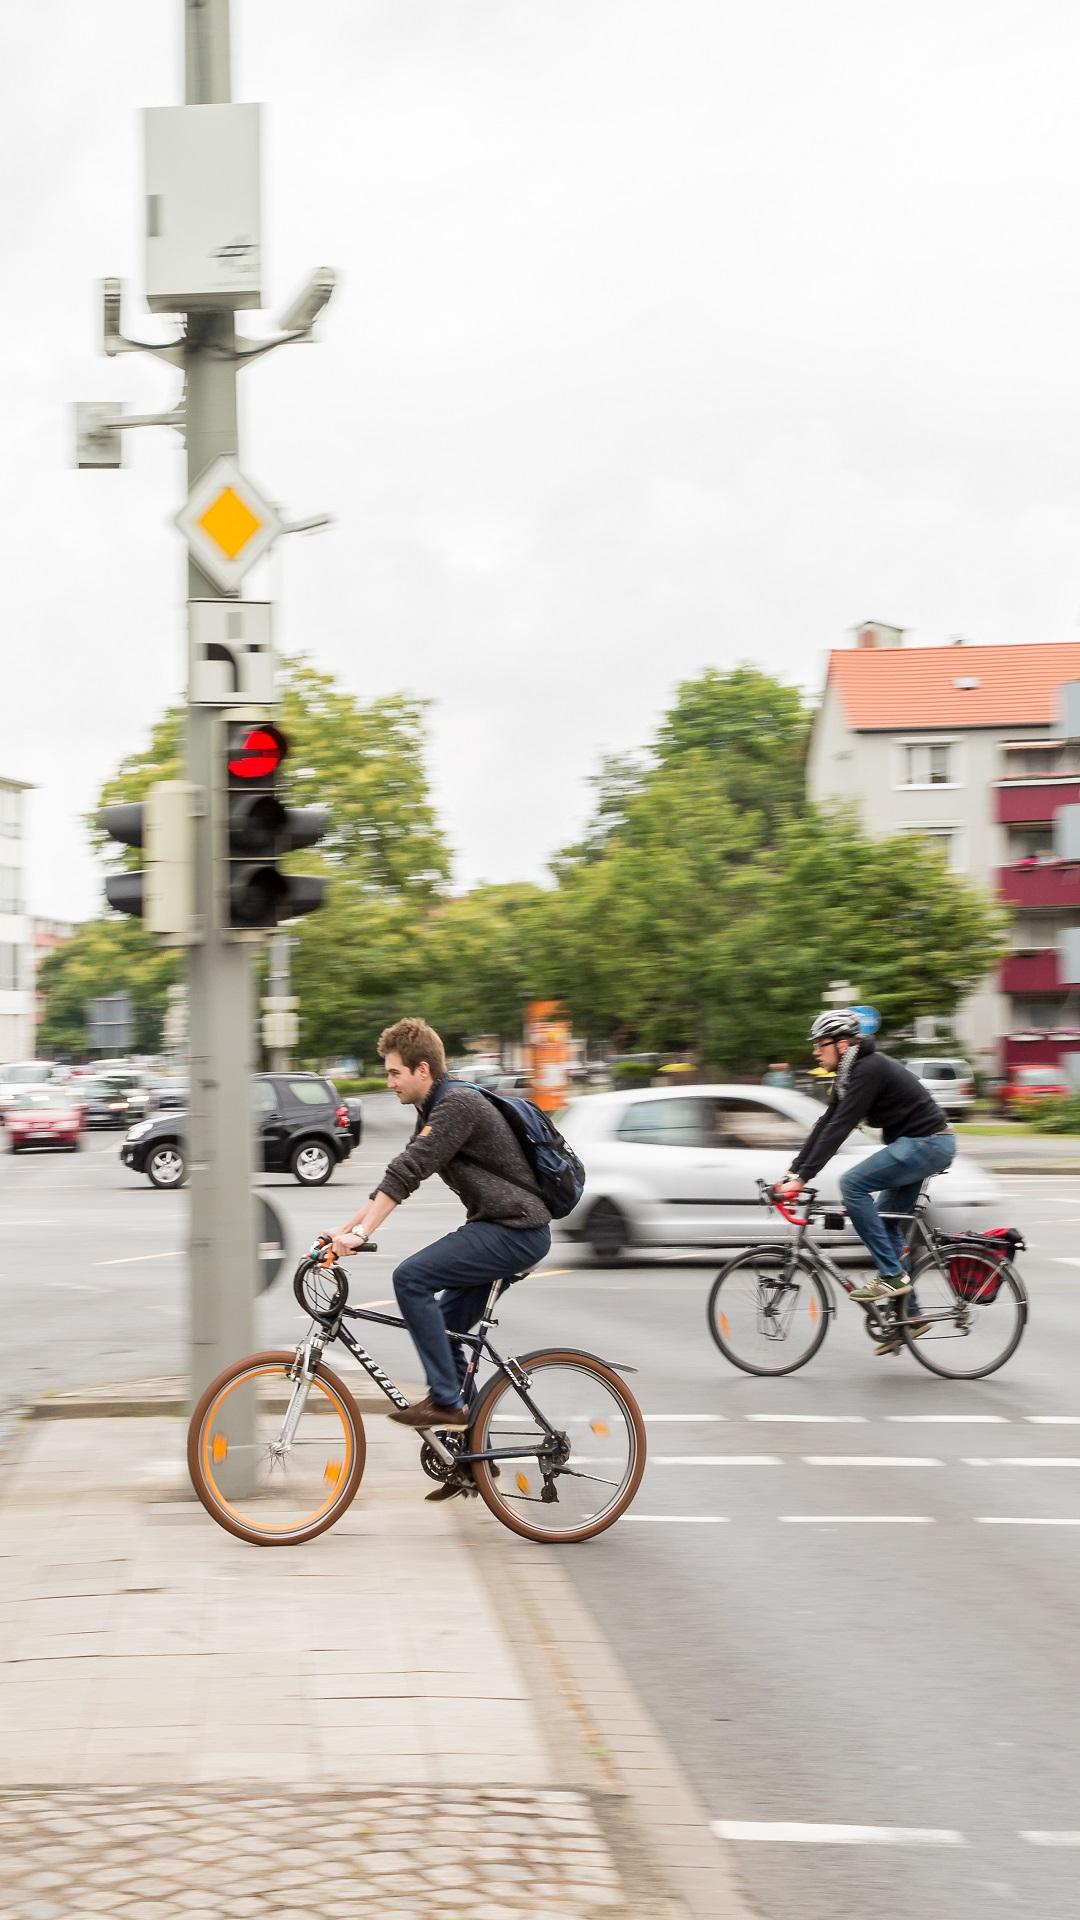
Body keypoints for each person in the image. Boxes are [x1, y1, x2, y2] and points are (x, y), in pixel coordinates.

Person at [330, 1018, 551, 1479]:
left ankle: (448, 1402)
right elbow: (397, 1175)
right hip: (503, 1228)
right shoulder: (437, 1108)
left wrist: (363, 1235)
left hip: (515, 1230)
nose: (389, 1082)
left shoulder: (457, 1106)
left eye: (394, 1073)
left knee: (410, 1279)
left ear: (422, 1070)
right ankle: (472, 1459)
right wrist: (344, 1229)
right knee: (444, 1330)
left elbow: (410, 1169)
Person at [774, 1010, 956, 1354]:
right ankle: (911, 1317)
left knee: (853, 1185)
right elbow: (826, 1123)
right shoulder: (850, 1072)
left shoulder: (867, 1070)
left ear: (842, 1044)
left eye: (820, 1044)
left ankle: (892, 1276)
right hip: (919, 1145)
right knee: (885, 1222)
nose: (815, 1051)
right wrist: (795, 1171)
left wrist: (803, 1178)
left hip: (927, 1144)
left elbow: (841, 1129)